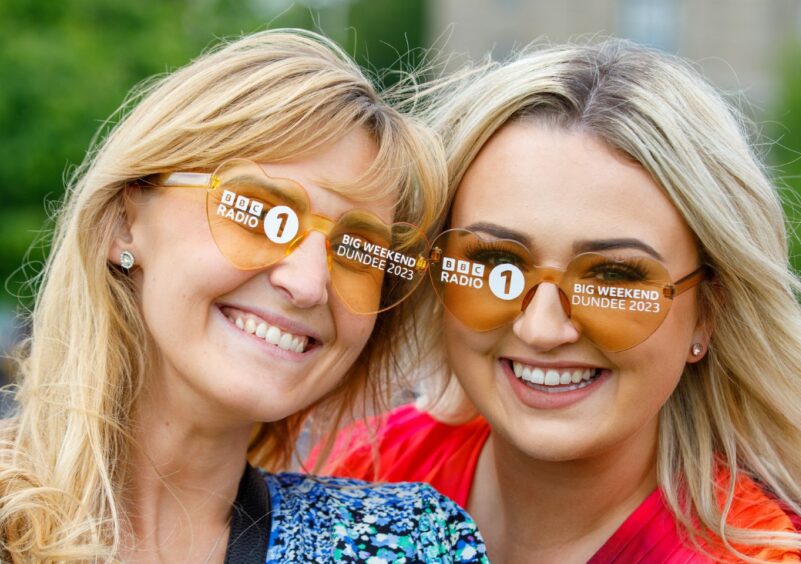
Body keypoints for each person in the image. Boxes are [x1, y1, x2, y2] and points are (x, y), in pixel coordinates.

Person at [308, 41, 801, 562]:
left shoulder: (766, 555)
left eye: (613, 275)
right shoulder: (362, 470)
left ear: (707, 313)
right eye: (497, 262)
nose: (542, 329)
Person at [0, 29, 488, 563]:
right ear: (125, 220)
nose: (307, 284)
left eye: (356, 249)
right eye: (262, 214)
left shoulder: (406, 545)